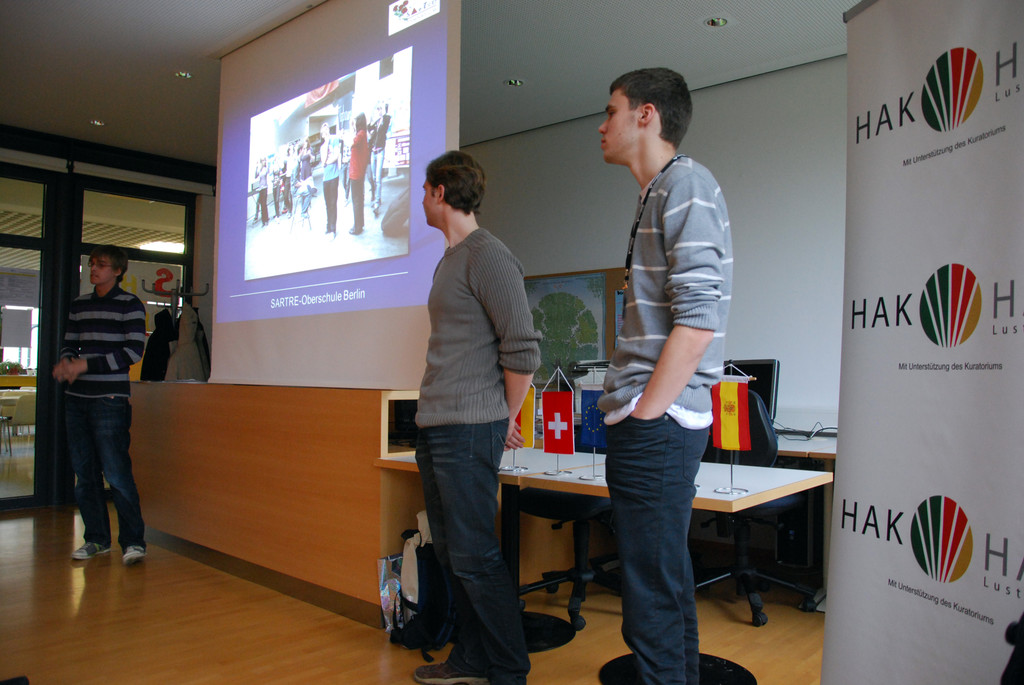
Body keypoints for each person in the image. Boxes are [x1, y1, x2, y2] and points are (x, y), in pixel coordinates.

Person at [597, 68, 733, 684]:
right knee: (665, 583)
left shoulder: (687, 185)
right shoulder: (659, 191)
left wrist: (645, 412)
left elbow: (699, 320)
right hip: (656, 420)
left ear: (646, 115)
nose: (602, 126)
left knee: (650, 598)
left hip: (658, 422)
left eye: (612, 111)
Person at [412, 150, 540, 685]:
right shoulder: (451, 258)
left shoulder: (488, 254)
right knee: (451, 553)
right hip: (437, 424)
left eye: (424, 191)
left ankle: (509, 669)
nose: (421, 200)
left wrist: (504, 415)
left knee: (474, 555)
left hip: (469, 428)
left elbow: (523, 350)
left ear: (440, 191)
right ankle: (470, 658)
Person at [54, 245, 149, 567]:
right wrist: (68, 361)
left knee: (117, 474)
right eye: (92, 264)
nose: (94, 269)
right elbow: (69, 342)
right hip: (76, 399)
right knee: (85, 475)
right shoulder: (79, 304)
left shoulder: (130, 304)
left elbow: (133, 352)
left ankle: (133, 542)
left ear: (118, 271)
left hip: (110, 400)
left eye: (102, 265)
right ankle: (96, 539)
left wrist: (85, 365)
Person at [348, 113, 370, 235]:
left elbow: (351, 142)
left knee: (356, 200)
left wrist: (352, 128)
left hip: (355, 172)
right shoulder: (363, 134)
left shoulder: (360, 134)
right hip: (359, 172)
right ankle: (360, 224)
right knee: (359, 200)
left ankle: (357, 228)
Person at [319, 122, 342, 237]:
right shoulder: (322, 146)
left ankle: (333, 229)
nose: (326, 131)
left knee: (333, 203)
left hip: (334, 176)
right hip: (326, 178)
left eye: (327, 128)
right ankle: (328, 226)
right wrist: (327, 142)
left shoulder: (335, 139)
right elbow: (323, 160)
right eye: (323, 130)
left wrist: (327, 162)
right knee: (327, 204)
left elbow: (336, 155)